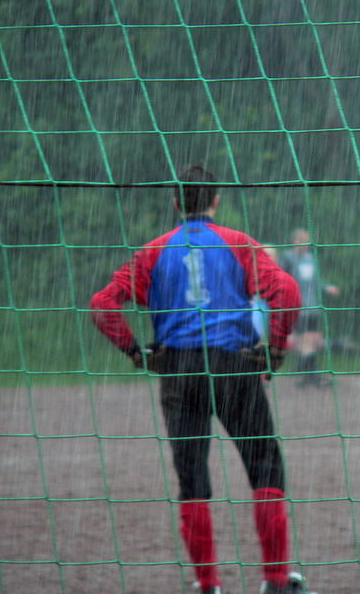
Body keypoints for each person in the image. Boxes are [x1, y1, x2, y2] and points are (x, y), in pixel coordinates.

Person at [90, 165, 317, 594]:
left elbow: (102, 304)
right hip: (235, 365)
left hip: (179, 372)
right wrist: (275, 348)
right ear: (215, 200)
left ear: (176, 203)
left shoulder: (154, 251)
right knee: (265, 468)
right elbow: (286, 292)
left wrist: (136, 353)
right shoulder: (237, 243)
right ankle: (275, 581)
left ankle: (208, 584)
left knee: (192, 480)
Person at [280, 229, 339, 387]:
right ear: (295, 241)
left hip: (313, 307)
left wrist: (327, 287)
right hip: (297, 306)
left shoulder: (310, 258)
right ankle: (311, 375)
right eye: (304, 240)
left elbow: (317, 280)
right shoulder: (288, 258)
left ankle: (306, 374)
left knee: (313, 341)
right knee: (303, 341)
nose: (307, 244)